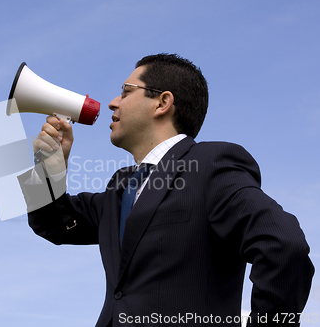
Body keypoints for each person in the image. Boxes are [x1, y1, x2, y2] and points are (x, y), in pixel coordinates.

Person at [18, 54, 314, 326]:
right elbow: (54, 225)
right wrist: (49, 170)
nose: (112, 102)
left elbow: (283, 246)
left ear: (162, 103)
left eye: (126, 91)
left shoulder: (211, 165)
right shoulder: (121, 187)